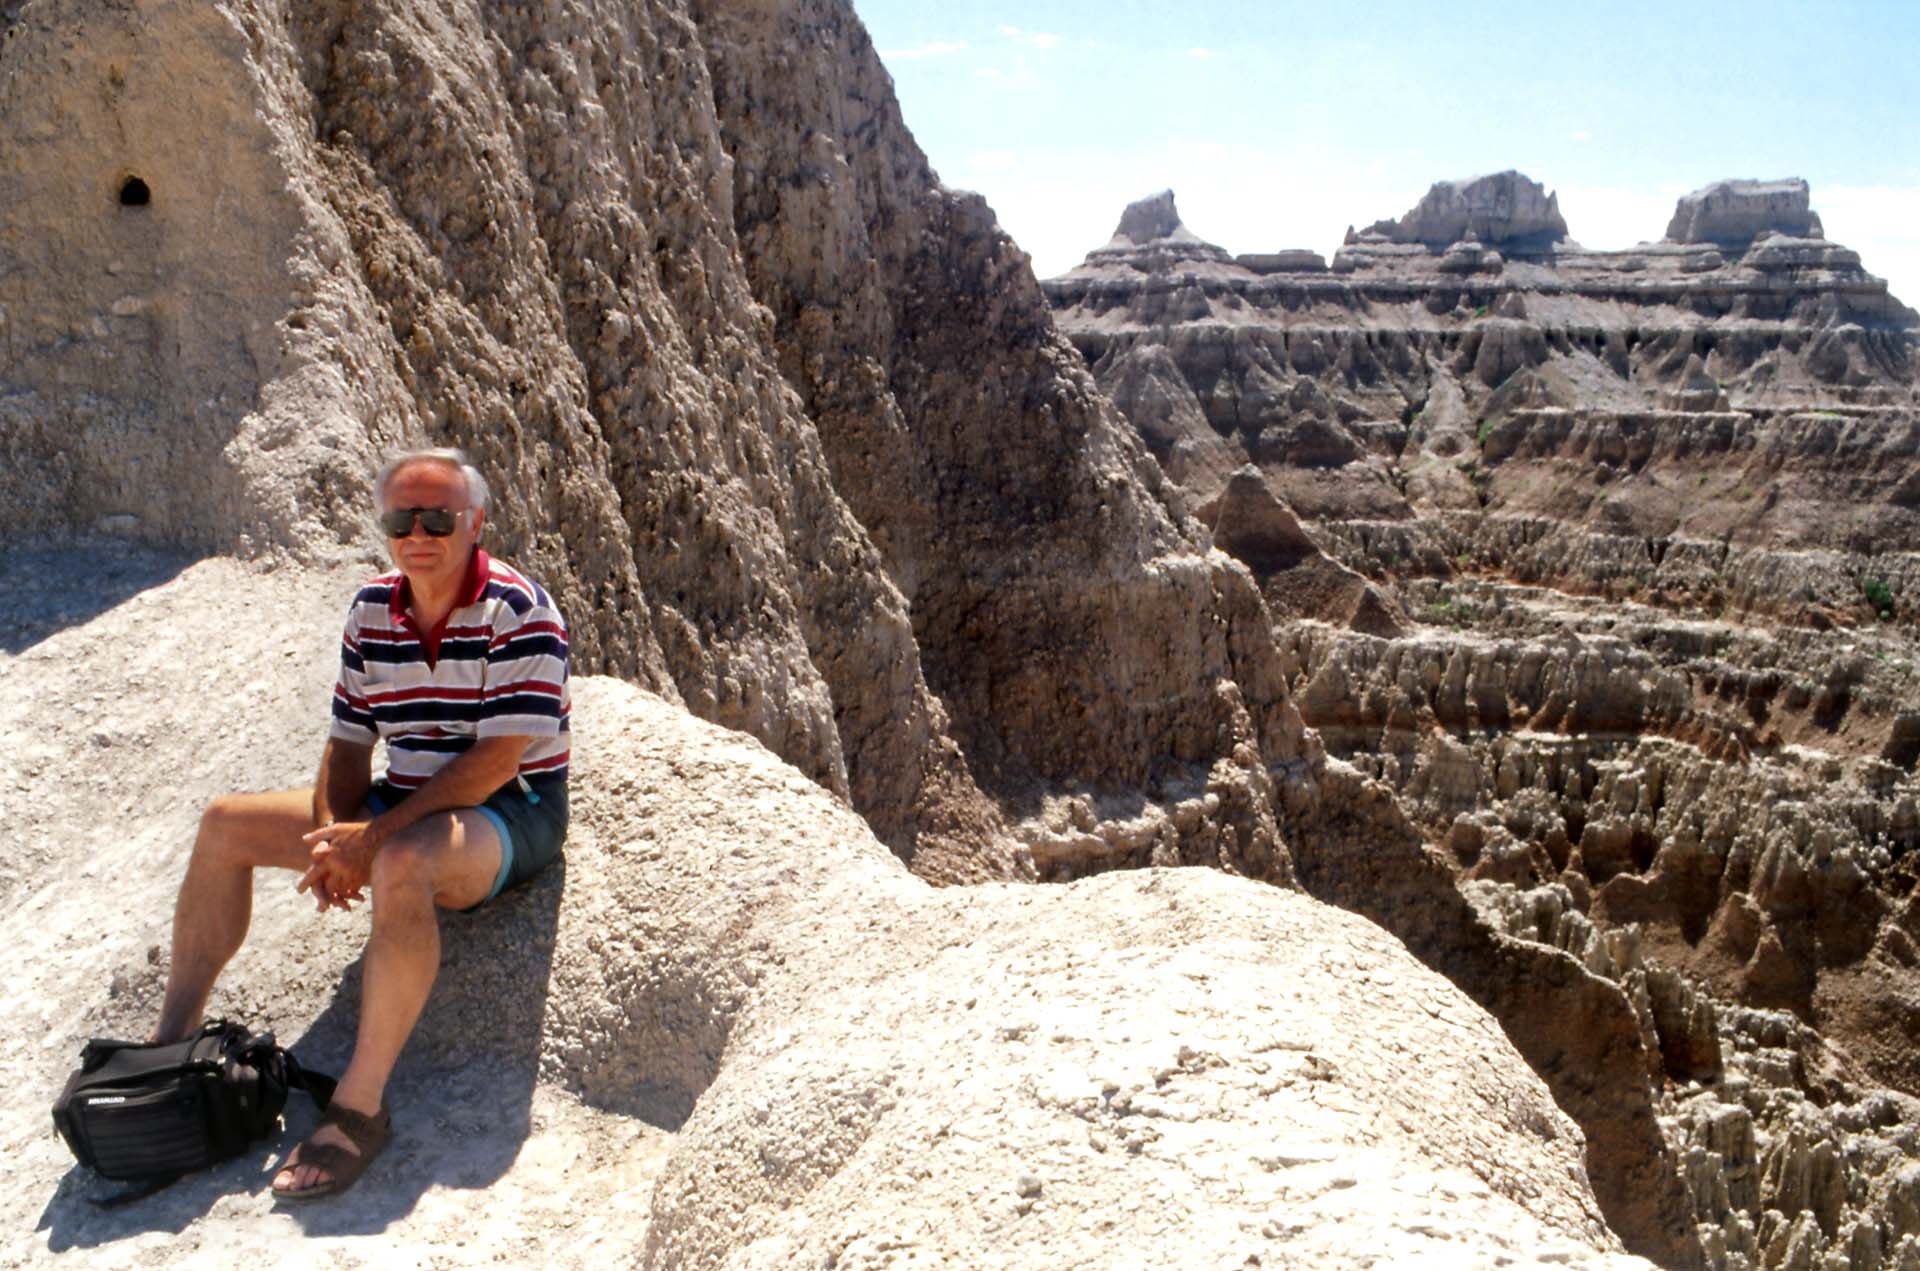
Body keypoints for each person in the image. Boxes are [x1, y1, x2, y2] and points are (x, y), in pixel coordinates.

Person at [149, 447, 571, 1201]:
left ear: (475, 522)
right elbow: (347, 745)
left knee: (404, 861)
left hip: (514, 810)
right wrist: (331, 837)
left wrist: (371, 842)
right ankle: (169, 1041)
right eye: (401, 517)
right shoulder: (373, 609)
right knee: (223, 825)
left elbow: (496, 763)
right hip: (404, 797)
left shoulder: (521, 610)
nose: (419, 532)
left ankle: (359, 1107)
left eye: (438, 516)